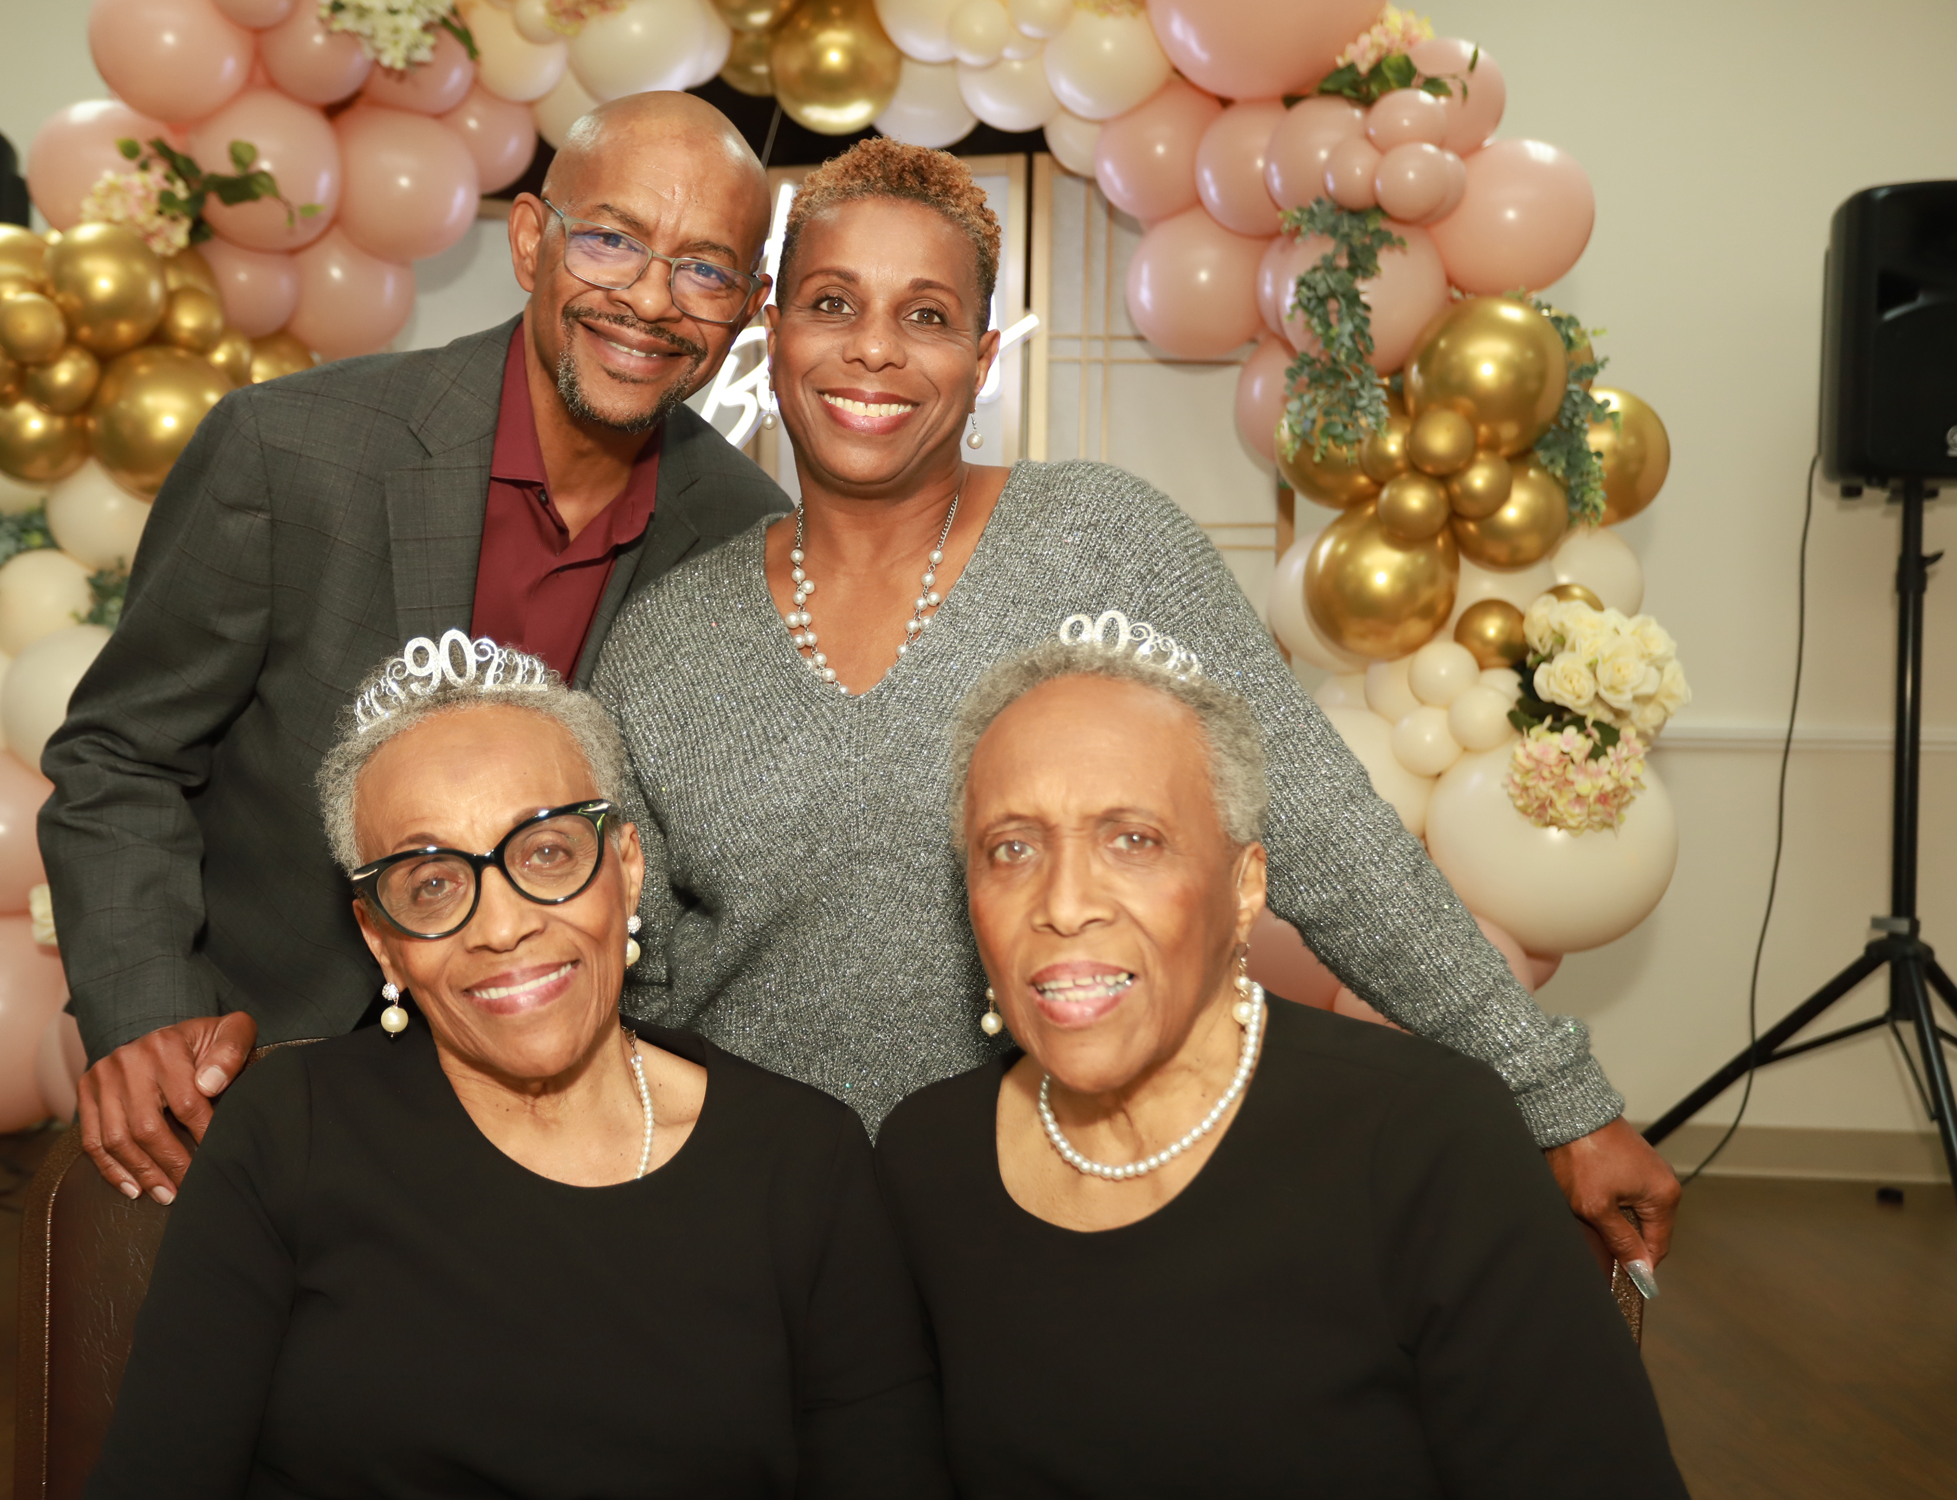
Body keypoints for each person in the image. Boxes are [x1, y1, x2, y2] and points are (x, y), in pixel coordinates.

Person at [588, 137, 1679, 1271]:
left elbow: (1333, 841)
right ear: (773, 329)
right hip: (765, 1236)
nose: (872, 349)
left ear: (981, 352)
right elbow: (628, 986)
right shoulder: (670, 638)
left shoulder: (1103, 547)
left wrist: (1559, 1099)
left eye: (925, 315)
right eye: (831, 302)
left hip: (1061, 1215)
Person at [40, 92, 792, 1203]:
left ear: (748, 308)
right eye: (611, 240)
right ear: (531, 239)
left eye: (705, 269)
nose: (648, 299)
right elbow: (120, 759)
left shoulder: (743, 534)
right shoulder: (289, 453)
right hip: (254, 1077)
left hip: (557, 1108)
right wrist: (143, 1007)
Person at [85, 636, 949, 1499]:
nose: (501, 928)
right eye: (431, 883)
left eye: (546, 853)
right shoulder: (288, 1128)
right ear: (380, 941)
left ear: (627, 868)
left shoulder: (804, 1159)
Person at [871, 625, 1689, 1498]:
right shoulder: (928, 1155)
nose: (1064, 903)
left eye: (1133, 839)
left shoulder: (1425, 1139)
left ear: (1244, 887)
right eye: (1012, 848)